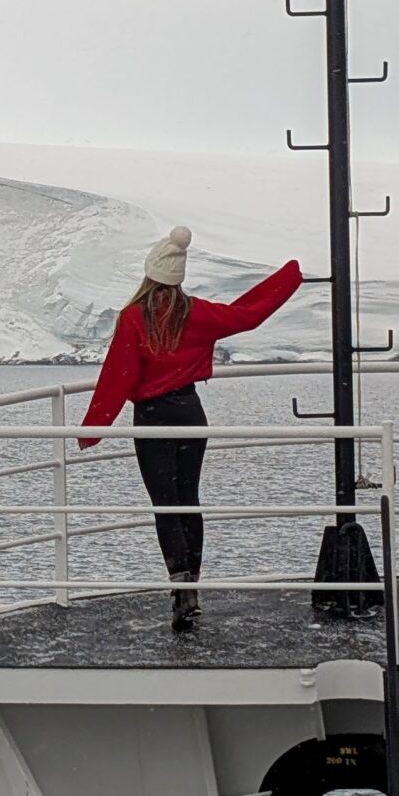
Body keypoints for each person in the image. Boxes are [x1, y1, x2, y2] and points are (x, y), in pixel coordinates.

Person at [78, 226, 303, 632]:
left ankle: (181, 591)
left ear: (149, 274)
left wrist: (91, 429)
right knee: (188, 500)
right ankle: (191, 588)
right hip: (190, 412)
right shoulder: (196, 312)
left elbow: (118, 376)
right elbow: (246, 315)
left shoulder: (133, 318)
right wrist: (289, 276)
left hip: (153, 419)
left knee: (166, 506)